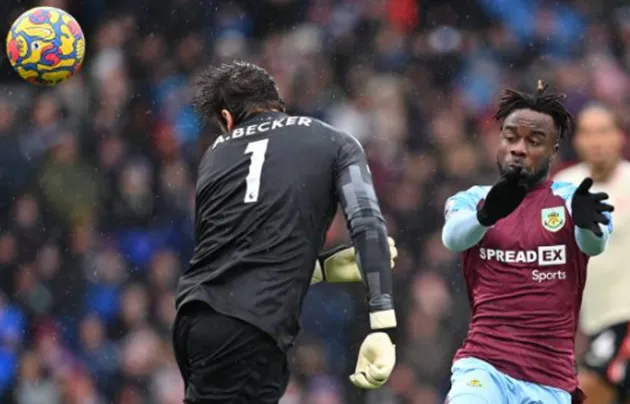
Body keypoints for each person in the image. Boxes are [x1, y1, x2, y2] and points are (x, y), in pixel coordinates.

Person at [172, 61, 398, 403]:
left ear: (227, 120)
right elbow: (367, 223)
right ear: (278, 105)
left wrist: (318, 270)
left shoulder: (214, 156)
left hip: (194, 323)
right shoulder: (335, 141)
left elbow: (230, 257)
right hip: (250, 330)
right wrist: (383, 325)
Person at [441, 81, 615, 404]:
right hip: (484, 366)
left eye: (534, 141)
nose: (519, 148)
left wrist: (584, 223)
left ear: (553, 150)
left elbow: (594, 244)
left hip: (549, 381)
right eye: (510, 137)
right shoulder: (474, 200)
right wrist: (485, 216)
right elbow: (452, 238)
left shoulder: (573, 200)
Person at [554, 103, 630, 404]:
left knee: (588, 391)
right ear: (578, 141)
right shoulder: (563, 188)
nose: (596, 141)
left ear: (619, 137)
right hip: (592, 323)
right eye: (587, 133)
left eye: (603, 131)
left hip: (626, 318)